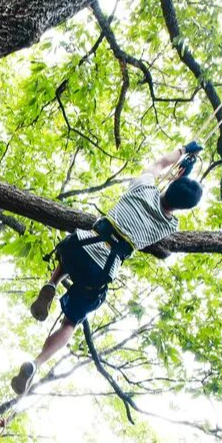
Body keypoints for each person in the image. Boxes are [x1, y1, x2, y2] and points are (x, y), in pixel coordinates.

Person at [11, 142, 205, 394]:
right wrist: (183, 181)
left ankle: (52, 283)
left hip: (80, 246)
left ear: (172, 182)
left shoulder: (144, 187)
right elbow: (172, 201)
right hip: (99, 274)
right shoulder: (169, 226)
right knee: (70, 323)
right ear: (182, 208)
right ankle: (36, 363)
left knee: (70, 251)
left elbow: (160, 164)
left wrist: (183, 151)